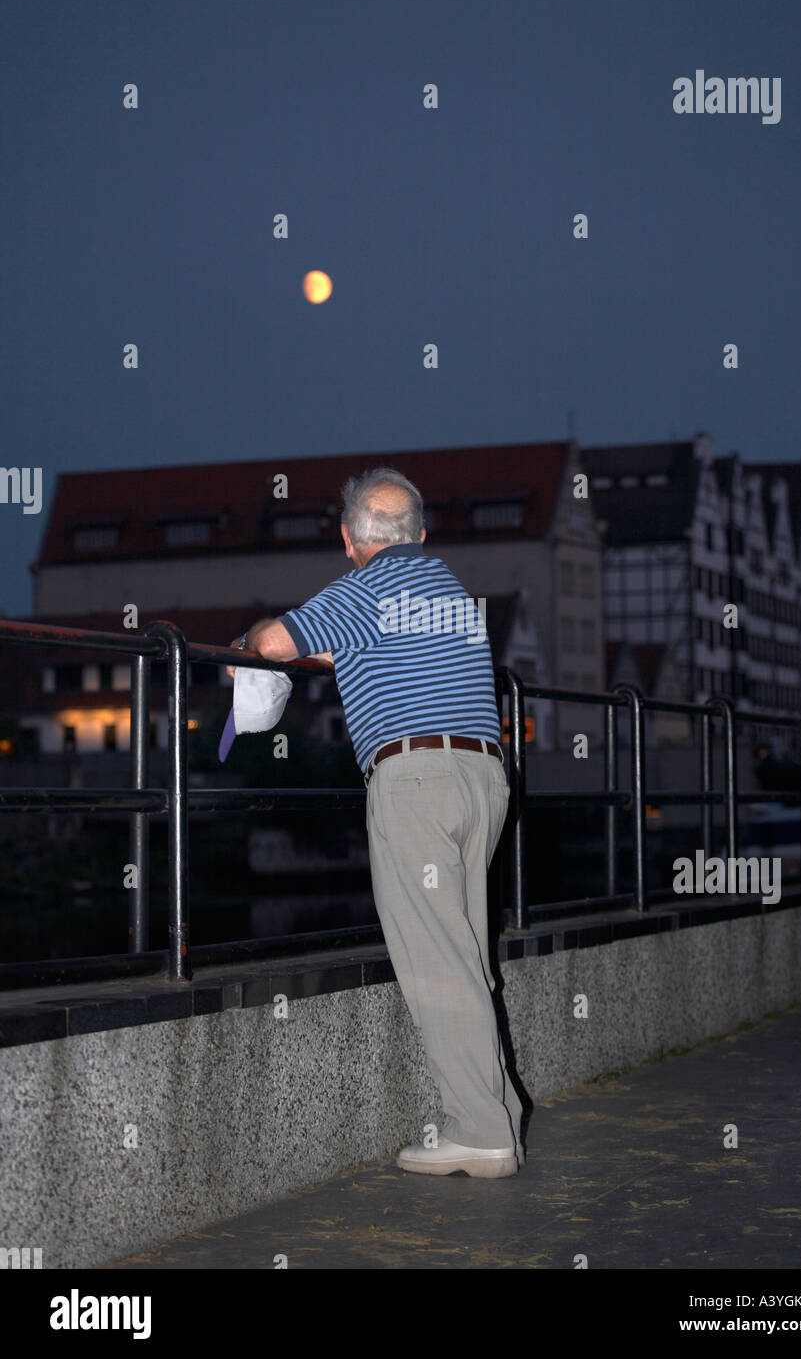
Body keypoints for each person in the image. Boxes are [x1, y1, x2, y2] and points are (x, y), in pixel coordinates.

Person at [228, 467, 523, 1178]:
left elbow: (274, 644)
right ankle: (501, 1114)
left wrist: (245, 641)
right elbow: (353, 647)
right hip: (482, 778)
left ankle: (482, 1135)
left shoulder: (365, 586)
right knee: (463, 953)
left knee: (436, 962)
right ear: (421, 534)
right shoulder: (448, 591)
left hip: (416, 780)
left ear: (349, 540)